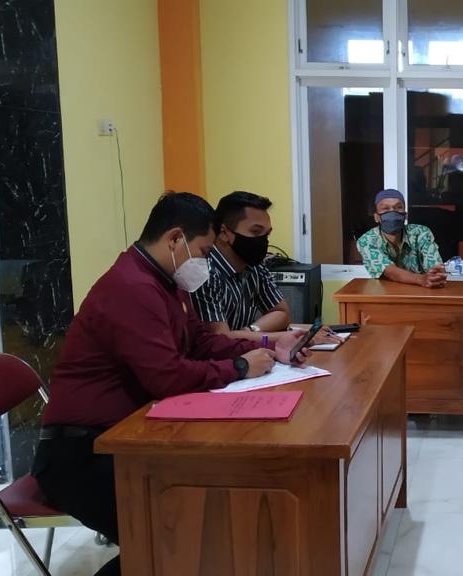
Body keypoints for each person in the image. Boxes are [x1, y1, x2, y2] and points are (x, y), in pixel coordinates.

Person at [30, 192, 322, 576]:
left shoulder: (166, 282)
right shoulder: (131, 287)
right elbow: (167, 377)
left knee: (204, 521)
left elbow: (198, 342)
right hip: (82, 454)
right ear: (174, 239)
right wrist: (239, 367)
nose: (204, 262)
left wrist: (268, 347)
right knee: (176, 538)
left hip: (129, 436)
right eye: (203, 251)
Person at [190, 190, 290, 342]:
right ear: (224, 233)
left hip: (244, 352)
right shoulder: (205, 273)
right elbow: (221, 338)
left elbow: (282, 313)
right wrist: (287, 338)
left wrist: (251, 330)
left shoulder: (255, 266)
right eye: (255, 232)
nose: (263, 240)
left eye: (267, 234)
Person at [356, 188, 447, 288]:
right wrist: (420, 279)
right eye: (385, 208)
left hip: (421, 292)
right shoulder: (367, 241)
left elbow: (435, 267)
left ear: (405, 215)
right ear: (376, 217)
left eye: (398, 207)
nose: (392, 213)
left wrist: (435, 275)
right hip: (386, 292)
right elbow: (390, 272)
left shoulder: (421, 233)